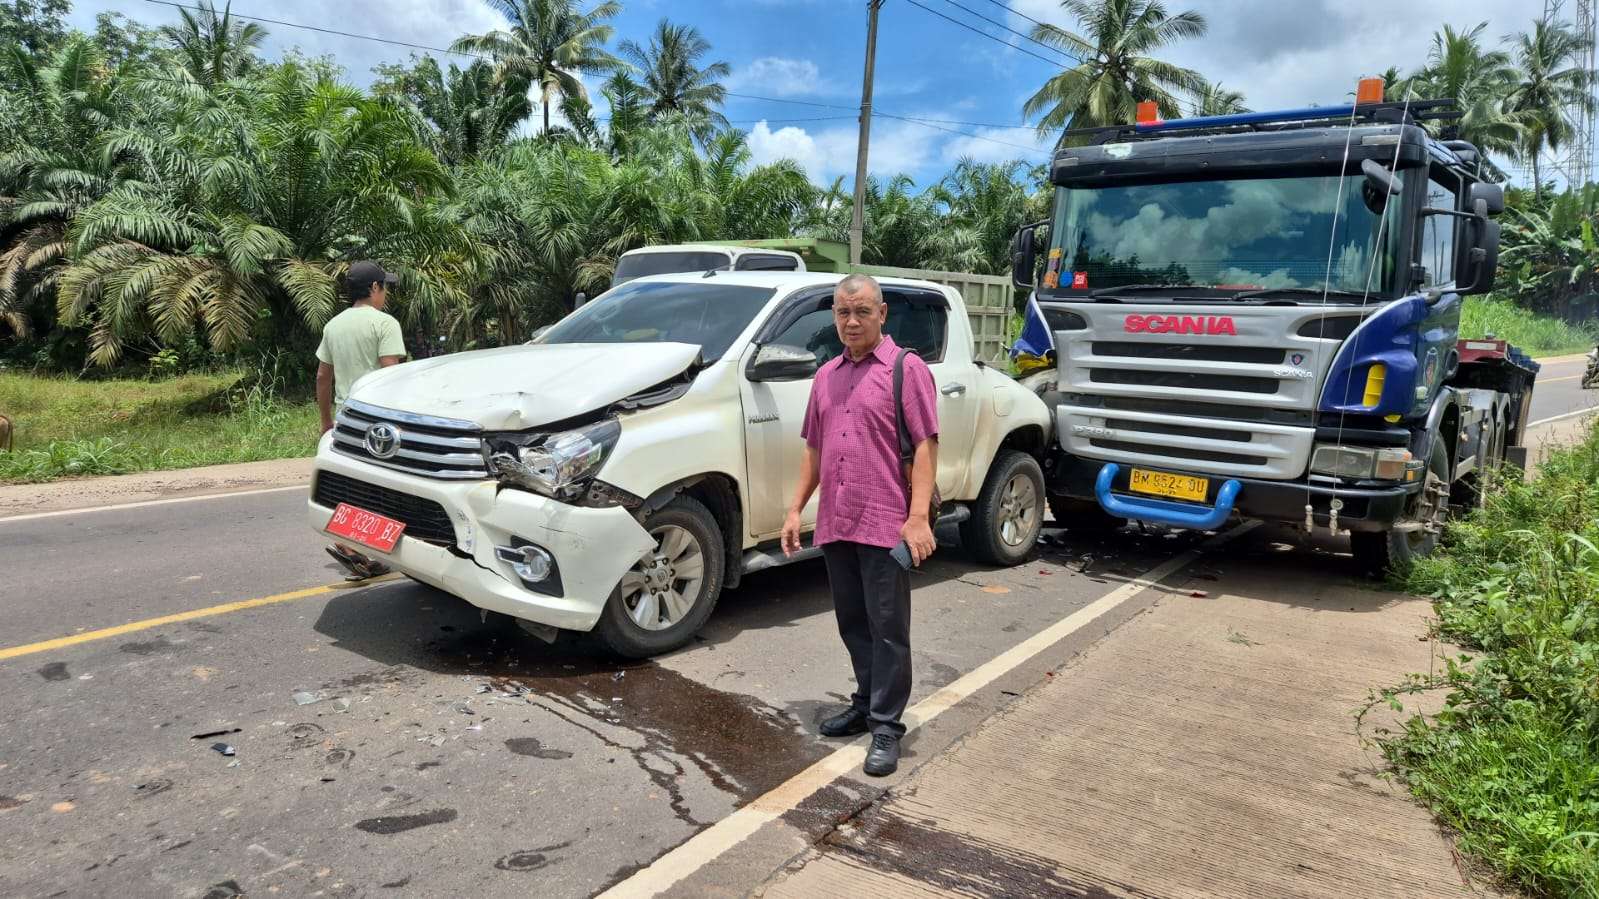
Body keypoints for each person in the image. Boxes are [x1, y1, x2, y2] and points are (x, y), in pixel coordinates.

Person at [781, 273, 939, 777]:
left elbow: (927, 446)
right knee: (853, 623)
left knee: (888, 628)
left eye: (862, 312)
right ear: (834, 315)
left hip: (885, 522)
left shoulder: (904, 370)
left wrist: (916, 518)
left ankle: (887, 726)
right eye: (843, 312)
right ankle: (866, 702)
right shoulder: (826, 375)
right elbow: (814, 447)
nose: (851, 321)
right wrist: (794, 509)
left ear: (882, 313)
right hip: (837, 521)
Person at [317, 260, 407, 579]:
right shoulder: (384, 324)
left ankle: (354, 548)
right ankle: (363, 551)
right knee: (380, 487)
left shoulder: (333, 326)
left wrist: (326, 421)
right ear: (373, 288)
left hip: (345, 419)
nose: (386, 293)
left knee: (353, 483)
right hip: (376, 424)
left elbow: (323, 377)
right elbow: (390, 373)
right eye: (385, 287)